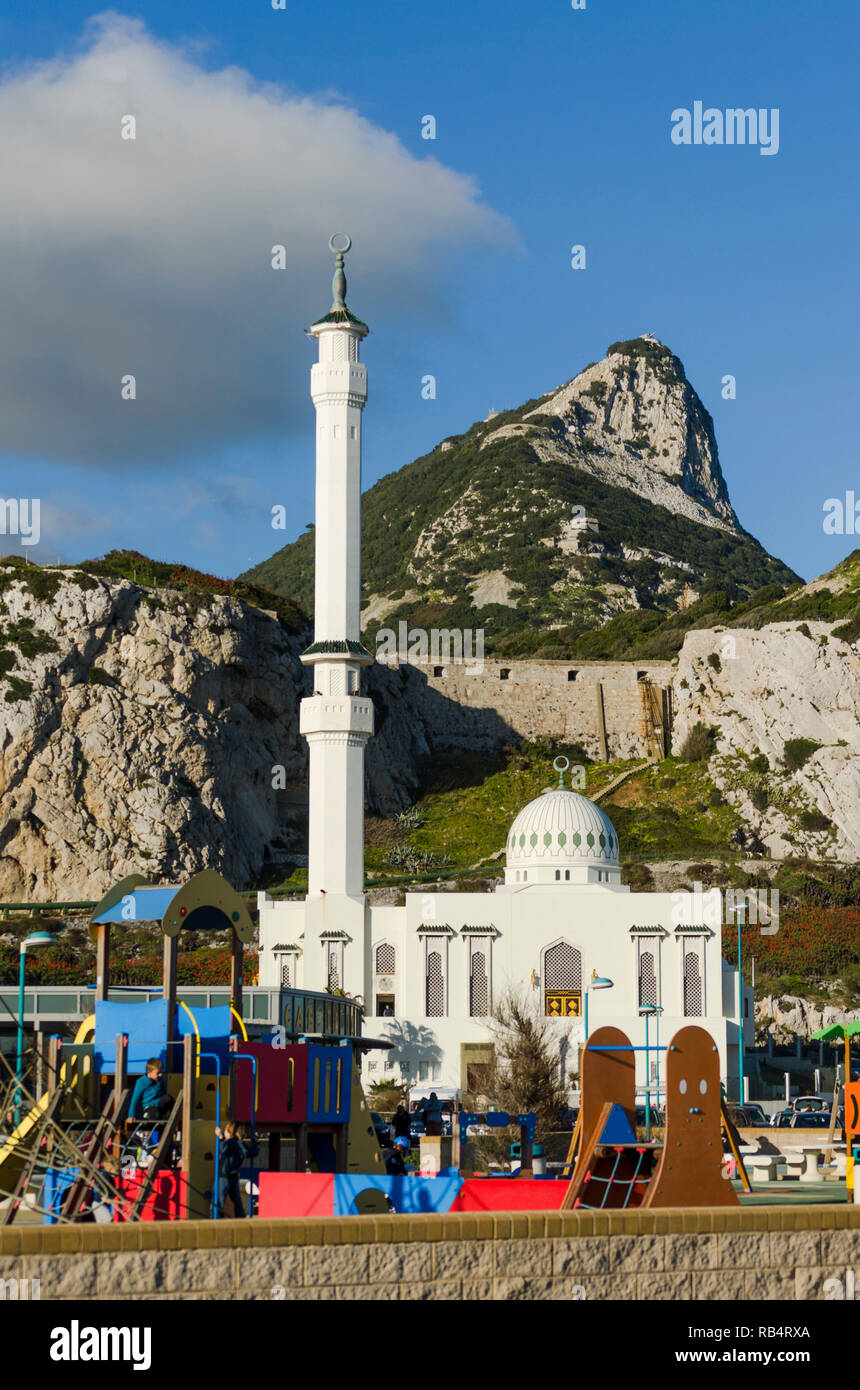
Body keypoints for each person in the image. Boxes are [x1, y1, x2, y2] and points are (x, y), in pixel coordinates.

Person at [215, 1121, 259, 1218]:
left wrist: (220, 1138)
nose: (224, 1132)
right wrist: (255, 1144)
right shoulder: (240, 1144)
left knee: (217, 1200)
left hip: (224, 1175)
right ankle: (240, 1217)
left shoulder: (231, 1143)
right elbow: (251, 1153)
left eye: (225, 1131)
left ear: (230, 1132)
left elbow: (223, 1149)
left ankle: (215, 1218)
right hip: (234, 1176)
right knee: (236, 1200)